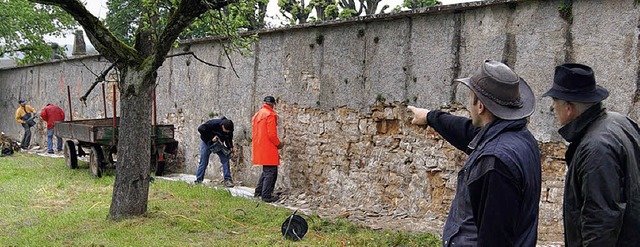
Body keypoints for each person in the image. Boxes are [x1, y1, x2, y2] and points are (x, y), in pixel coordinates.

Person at [407, 60, 541, 246]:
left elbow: (495, 239)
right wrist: (430, 117)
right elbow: (467, 132)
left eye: (471, 97)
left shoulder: (495, 161)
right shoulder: (520, 137)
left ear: (480, 106)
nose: (469, 103)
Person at [542, 63, 640, 247]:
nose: (553, 108)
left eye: (555, 102)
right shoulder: (620, 122)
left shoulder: (596, 148)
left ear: (568, 108)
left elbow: (601, 221)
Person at [252, 96, 283, 203]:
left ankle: (258, 192)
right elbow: (271, 134)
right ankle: (266, 196)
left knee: (266, 171)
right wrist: (278, 144)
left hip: (259, 146)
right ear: (273, 104)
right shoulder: (270, 115)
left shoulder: (258, 114)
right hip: (268, 147)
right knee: (271, 171)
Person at [195, 116, 235, 187]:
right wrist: (211, 137)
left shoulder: (229, 129)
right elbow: (200, 129)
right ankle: (198, 181)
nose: (226, 132)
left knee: (225, 159)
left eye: (228, 131)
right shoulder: (214, 123)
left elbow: (228, 138)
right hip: (207, 143)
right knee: (203, 161)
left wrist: (230, 147)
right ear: (222, 126)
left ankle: (227, 180)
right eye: (225, 130)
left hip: (218, 145)